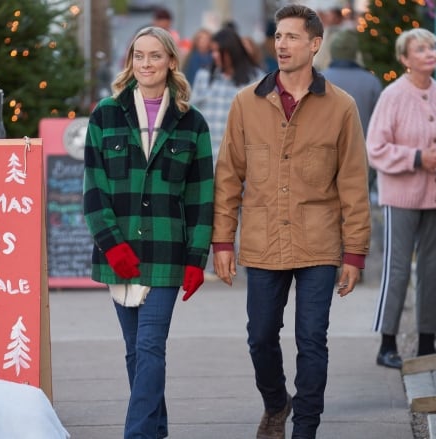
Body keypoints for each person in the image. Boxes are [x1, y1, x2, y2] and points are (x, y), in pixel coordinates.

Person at [212, 5, 371, 438]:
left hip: (319, 242)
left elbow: (354, 183)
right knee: (260, 337)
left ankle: (306, 427)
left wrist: (354, 252)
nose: (282, 44)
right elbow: (228, 175)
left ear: (315, 44)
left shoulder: (341, 107)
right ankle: (276, 403)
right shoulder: (247, 103)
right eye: (278, 36)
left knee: (311, 340)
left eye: (292, 37)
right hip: (263, 241)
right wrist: (222, 241)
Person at [82, 26, 214, 439]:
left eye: (155, 56)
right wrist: (111, 245)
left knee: (151, 346)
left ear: (171, 61)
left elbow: (201, 198)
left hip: (165, 252)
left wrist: (196, 260)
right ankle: (156, 430)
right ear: (130, 61)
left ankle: (137, 434)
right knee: (136, 351)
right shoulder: (105, 115)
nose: (146, 64)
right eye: (139, 56)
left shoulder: (192, 123)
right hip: (119, 252)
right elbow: (93, 189)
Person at [367, 28, 436, 369]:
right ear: (405, 59)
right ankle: (387, 342)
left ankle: (427, 343)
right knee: (398, 268)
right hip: (401, 195)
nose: (429, 52)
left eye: (431, 47)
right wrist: (418, 158)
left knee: (432, 267)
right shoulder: (393, 96)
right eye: (420, 49)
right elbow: (375, 148)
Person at [320, 29, 383, 198]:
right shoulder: (371, 82)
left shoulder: (317, 81)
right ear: (355, 52)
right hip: (361, 157)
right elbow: (379, 125)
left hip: (323, 157)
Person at [191, 26, 265, 162]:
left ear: (232, 52)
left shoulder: (256, 79)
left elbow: (263, 124)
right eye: (212, 51)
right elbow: (192, 115)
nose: (214, 55)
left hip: (240, 162)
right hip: (207, 159)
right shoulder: (204, 77)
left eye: (219, 51)